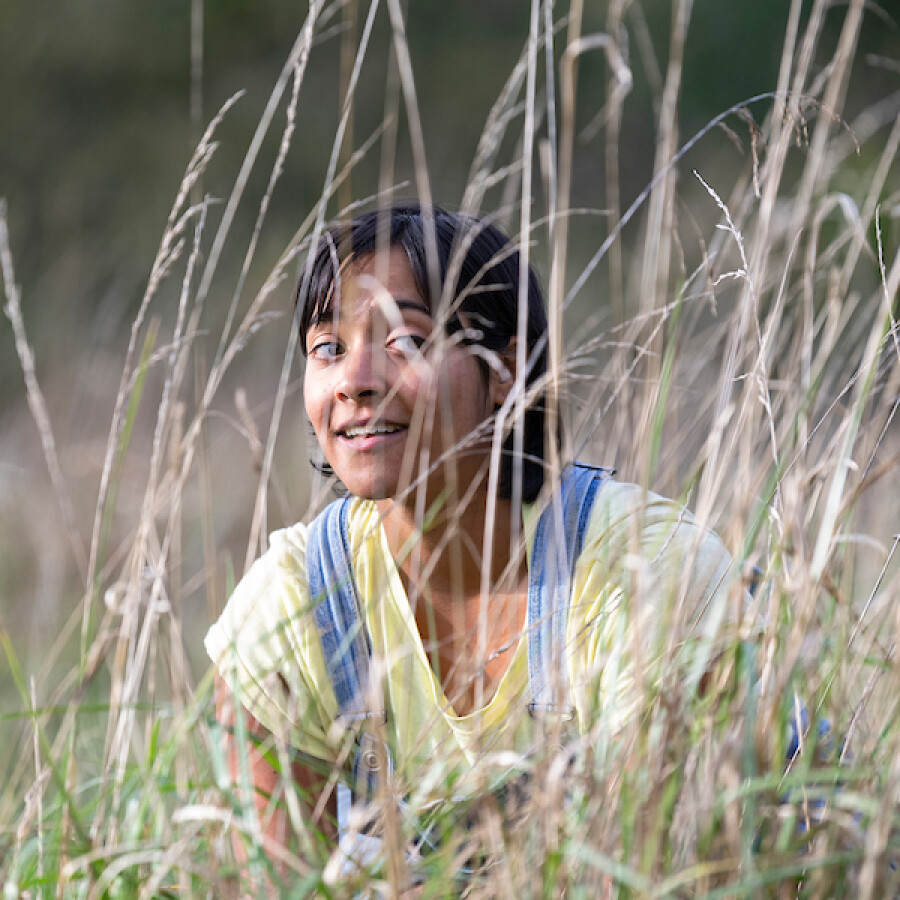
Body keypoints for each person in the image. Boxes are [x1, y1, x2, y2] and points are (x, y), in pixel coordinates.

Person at [206, 204, 736, 890]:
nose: (355, 380)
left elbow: (671, 873)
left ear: (504, 371)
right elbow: (278, 885)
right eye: (328, 348)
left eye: (406, 341)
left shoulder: (645, 569)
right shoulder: (289, 609)